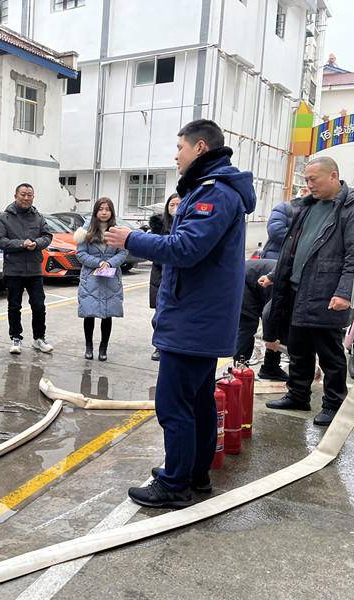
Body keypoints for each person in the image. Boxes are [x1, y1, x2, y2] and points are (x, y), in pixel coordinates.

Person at [105, 119, 256, 508]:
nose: (176, 156)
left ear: (200, 147)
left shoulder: (214, 193)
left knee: (174, 405)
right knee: (198, 401)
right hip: (200, 317)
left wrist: (132, 238)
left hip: (194, 320)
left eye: (180, 148)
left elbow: (186, 249)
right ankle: (194, 474)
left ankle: (175, 485)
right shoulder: (211, 189)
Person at [260, 157, 354, 427]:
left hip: (326, 292)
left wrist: (344, 292)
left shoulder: (352, 208)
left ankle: (333, 404)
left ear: (333, 176)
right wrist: (275, 276)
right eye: (306, 179)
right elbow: (293, 249)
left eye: (313, 179)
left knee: (329, 353)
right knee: (298, 347)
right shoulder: (308, 206)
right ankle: (298, 395)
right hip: (297, 289)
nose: (309, 185)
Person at [0, 183, 53, 355]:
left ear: (33, 197)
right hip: (14, 270)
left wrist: (36, 244)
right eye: (23, 194)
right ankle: (16, 338)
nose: (26, 198)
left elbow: (47, 236)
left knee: (39, 306)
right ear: (15, 196)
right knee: (14, 306)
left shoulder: (38, 217)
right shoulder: (5, 217)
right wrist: (21, 244)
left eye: (29, 195)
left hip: (34, 269)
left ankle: (39, 338)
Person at [74, 197, 128, 361]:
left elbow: (123, 253)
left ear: (112, 212)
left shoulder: (117, 231)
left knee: (107, 315)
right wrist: (98, 263)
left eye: (107, 209)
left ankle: (103, 348)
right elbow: (80, 254)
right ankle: (88, 347)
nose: (104, 212)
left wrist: (110, 263)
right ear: (95, 211)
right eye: (101, 209)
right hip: (91, 279)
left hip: (110, 278)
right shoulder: (85, 231)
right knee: (89, 314)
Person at [236, 258, 288, 381]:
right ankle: (240, 369)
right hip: (244, 280)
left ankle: (270, 368)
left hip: (258, 284)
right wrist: (270, 339)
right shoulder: (292, 288)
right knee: (248, 324)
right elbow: (268, 314)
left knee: (279, 325)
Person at [147, 193, 181, 361]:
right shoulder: (159, 227)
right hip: (161, 274)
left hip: (180, 275)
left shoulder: (188, 226)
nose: (175, 208)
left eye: (178, 204)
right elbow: (155, 251)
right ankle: (159, 346)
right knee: (159, 315)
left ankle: (173, 345)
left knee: (176, 314)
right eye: (171, 205)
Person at [261, 186, 306, 260]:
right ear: (303, 192)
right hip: (276, 256)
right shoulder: (285, 207)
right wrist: (302, 239)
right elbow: (275, 231)